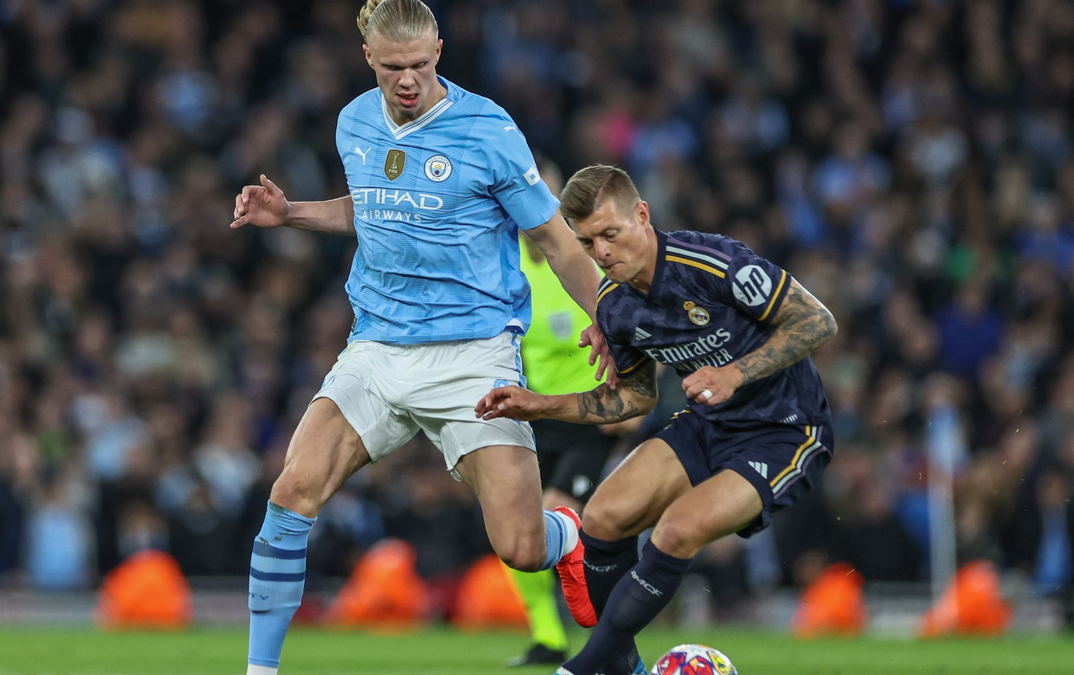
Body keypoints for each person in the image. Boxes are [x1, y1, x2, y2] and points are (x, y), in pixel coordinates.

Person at [228, 2, 609, 674]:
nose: (408, 81)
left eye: (421, 65)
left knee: (520, 545)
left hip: (473, 354)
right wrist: (290, 214)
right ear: (368, 57)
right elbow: (369, 205)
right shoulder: (353, 121)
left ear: (438, 49)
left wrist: (606, 317)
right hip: (375, 347)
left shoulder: (488, 129)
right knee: (292, 490)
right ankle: (260, 671)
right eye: (394, 68)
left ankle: (565, 535)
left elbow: (553, 235)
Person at [477, 165, 838, 675]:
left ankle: (580, 669)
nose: (600, 253)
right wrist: (541, 404)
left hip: (784, 429)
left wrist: (735, 373)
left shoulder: (710, 262)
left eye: (610, 234)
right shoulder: (615, 306)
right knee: (601, 519)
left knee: (675, 531)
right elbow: (634, 398)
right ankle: (623, 668)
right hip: (708, 424)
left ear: (642, 216)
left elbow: (817, 319)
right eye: (586, 243)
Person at [505, 159, 637, 668]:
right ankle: (548, 636)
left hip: (590, 413)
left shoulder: (587, 260)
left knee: (558, 511)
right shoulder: (507, 260)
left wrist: (629, 396)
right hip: (536, 414)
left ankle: (606, 632)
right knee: (515, 524)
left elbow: (631, 325)